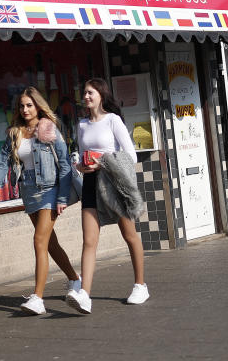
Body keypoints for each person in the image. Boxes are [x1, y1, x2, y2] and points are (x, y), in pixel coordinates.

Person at [0, 87, 80, 315]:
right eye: (22, 106)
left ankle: (37, 298)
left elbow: (64, 164)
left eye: (29, 105)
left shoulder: (47, 128)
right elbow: (3, 163)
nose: (25, 109)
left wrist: (63, 197)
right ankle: (75, 279)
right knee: (50, 243)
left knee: (39, 240)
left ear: (38, 106)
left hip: (50, 191)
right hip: (28, 191)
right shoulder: (15, 133)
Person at [66, 78, 147, 314]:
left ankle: (140, 285)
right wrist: (81, 166)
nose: (87, 96)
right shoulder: (81, 125)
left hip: (113, 181)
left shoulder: (113, 120)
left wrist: (102, 162)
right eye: (85, 93)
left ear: (101, 95)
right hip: (90, 182)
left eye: (91, 92)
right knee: (89, 240)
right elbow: (81, 155)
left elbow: (131, 156)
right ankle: (85, 295)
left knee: (129, 235)